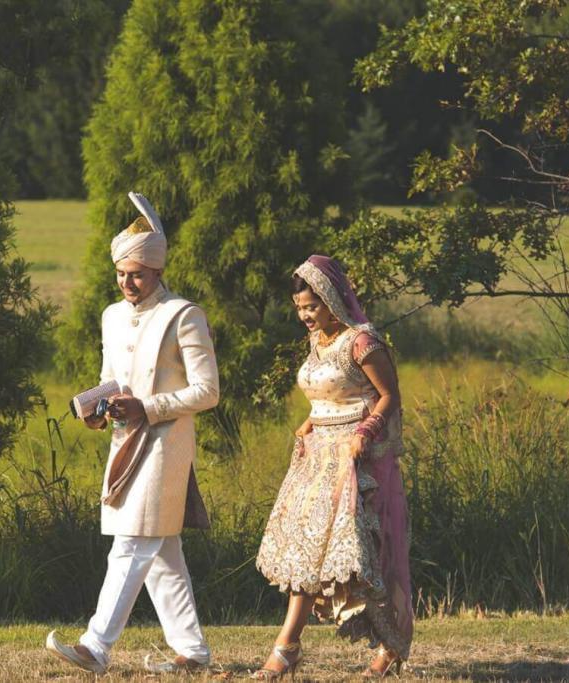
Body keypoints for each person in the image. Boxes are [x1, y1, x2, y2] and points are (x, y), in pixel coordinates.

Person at [45, 192, 219, 675]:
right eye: (121, 273)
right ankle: (194, 652)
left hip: (166, 442)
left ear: (158, 271)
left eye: (137, 273)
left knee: (133, 541)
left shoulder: (185, 314)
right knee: (162, 551)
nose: (127, 282)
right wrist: (99, 409)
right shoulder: (111, 315)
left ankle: (96, 646)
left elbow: (207, 391)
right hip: (126, 440)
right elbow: (113, 379)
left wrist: (148, 407)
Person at [252, 255, 413, 679]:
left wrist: (364, 433)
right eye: (299, 308)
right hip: (316, 458)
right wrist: (308, 422)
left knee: (364, 556)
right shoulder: (318, 340)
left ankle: (388, 646)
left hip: (355, 460)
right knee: (304, 548)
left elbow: (388, 395)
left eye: (312, 306)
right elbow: (326, 393)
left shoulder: (361, 341)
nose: (305, 315)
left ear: (331, 299)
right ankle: (287, 647)